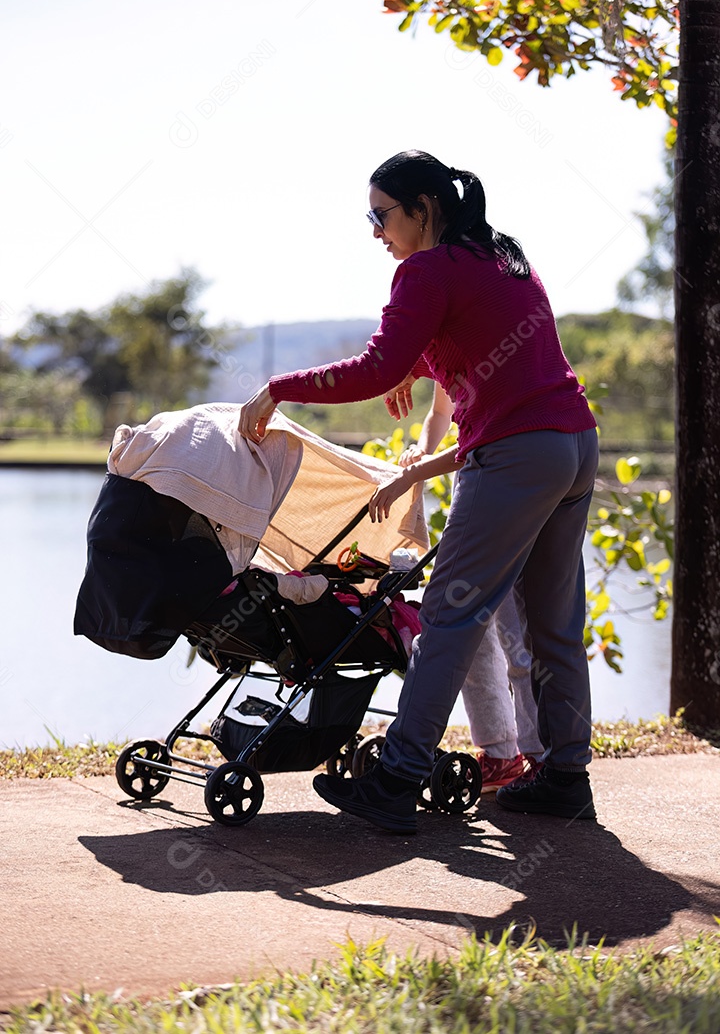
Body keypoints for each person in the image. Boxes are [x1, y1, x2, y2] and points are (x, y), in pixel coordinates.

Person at [238, 149, 599, 833]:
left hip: (514, 456)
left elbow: (376, 368)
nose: (376, 232)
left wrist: (279, 389)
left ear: (421, 210)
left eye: (381, 216)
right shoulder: (502, 257)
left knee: (448, 612)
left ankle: (397, 778)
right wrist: (427, 360)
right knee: (554, 626)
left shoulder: (425, 269)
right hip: (573, 446)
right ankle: (565, 778)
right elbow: (489, 348)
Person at [393, 381, 544, 790]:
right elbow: (441, 413)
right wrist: (423, 447)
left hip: (506, 486)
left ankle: (540, 756)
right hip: (471, 493)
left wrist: (419, 470)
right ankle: (500, 752)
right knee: (470, 635)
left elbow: (482, 439)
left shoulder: (491, 345)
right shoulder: (447, 350)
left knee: (517, 635)